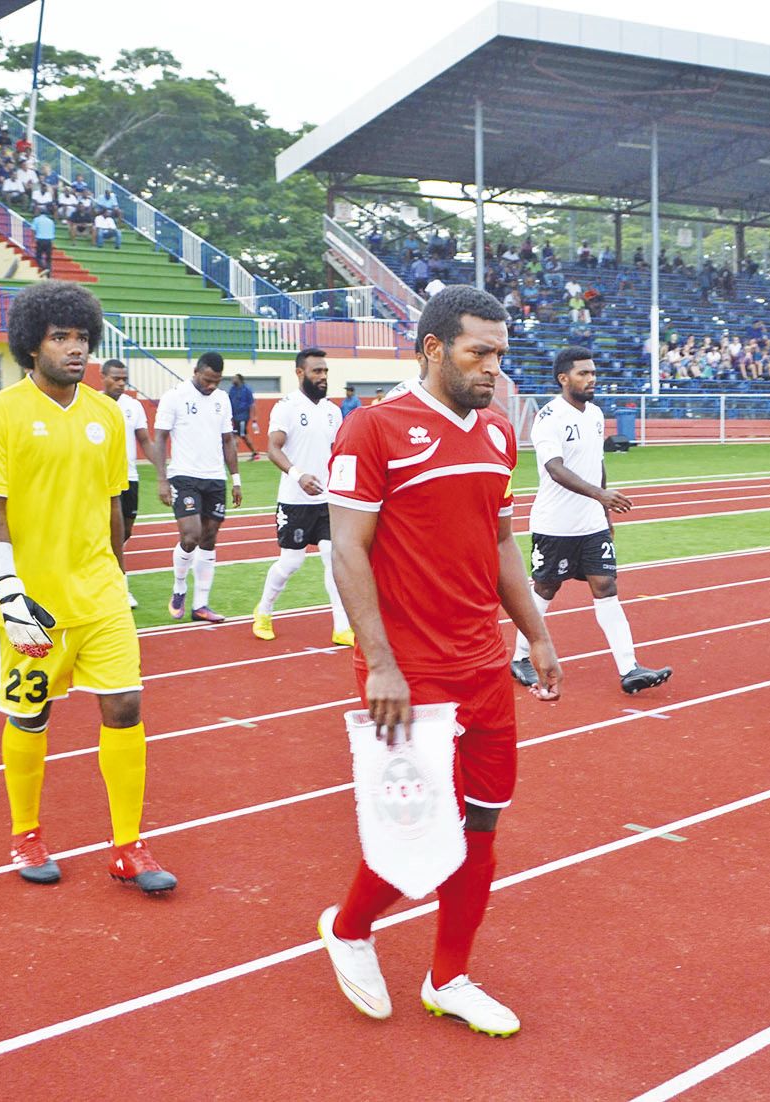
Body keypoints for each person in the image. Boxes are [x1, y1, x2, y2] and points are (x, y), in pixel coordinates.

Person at [316, 286, 561, 1038]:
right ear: (431, 348)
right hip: (408, 673)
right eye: (478, 352)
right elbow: (347, 549)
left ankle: (448, 976)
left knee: (482, 822)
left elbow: (499, 545)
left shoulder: (497, 436)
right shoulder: (373, 430)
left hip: (485, 664)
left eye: (500, 355)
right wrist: (379, 662)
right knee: (419, 829)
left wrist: (538, 634)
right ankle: (350, 929)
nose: (493, 368)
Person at [0, 280, 176, 892]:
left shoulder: (107, 414)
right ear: (32, 345)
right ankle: (25, 831)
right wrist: (8, 590)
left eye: (82, 337)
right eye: (61, 337)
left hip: (101, 593)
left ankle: (128, 845)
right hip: (30, 597)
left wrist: (118, 571)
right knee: (32, 717)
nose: (76, 349)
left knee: (126, 705)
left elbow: (114, 507)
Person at [510, 346, 672, 695]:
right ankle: (520, 656)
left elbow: (597, 465)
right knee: (545, 589)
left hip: (591, 525)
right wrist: (600, 496)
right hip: (554, 525)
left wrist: (604, 512)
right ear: (563, 378)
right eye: (584, 373)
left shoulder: (596, 414)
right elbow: (554, 469)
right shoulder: (549, 417)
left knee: (606, 587)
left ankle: (629, 669)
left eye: (594, 373)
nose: (592, 379)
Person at [251, 347, 351, 646]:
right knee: (291, 563)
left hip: (327, 502)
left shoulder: (333, 411)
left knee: (334, 561)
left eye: (325, 371)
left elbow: (340, 453)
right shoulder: (286, 407)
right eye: (316, 371)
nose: (323, 377)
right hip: (295, 501)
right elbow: (273, 449)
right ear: (300, 373)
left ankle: (342, 626)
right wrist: (299, 475)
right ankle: (264, 611)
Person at [154, 351, 241, 623]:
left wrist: (236, 479)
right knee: (191, 535)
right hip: (184, 475)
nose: (211, 386)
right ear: (196, 370)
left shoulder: (222, 399)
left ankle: (201, 604)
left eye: (216, 381)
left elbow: (228, 441)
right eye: (207, 380)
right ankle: (179, 587)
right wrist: (161, 479)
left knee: (210, 538)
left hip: (215, 477)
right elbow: (160, 438)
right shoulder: (174, 396)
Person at [98, 357, 162, 609]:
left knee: (125, 531)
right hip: (101, 481)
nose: (121, 383)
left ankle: (108, 569)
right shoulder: (91, 403)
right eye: (115, 378)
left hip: (129, 477)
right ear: (103, 377)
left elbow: (145, 440)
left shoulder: (133, 406)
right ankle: (120, 587)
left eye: (124, 378)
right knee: (109, 533)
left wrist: (161, 473)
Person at [228, 373, 259, 461]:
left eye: (235, 378)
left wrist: (254, 417)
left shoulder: (246, 390)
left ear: (240, 380)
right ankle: (255, 453)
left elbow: (252, 404)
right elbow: (229, 402)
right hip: (235, 416)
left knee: (237, 435)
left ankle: (233, 456)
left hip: (243, 417)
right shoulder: (232, 389)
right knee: (243, 435)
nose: (233, 380)